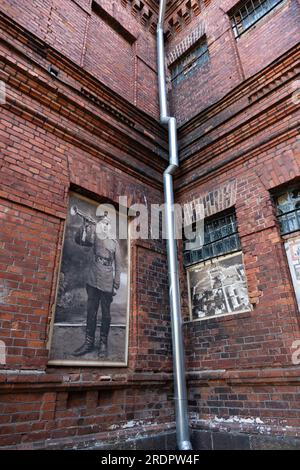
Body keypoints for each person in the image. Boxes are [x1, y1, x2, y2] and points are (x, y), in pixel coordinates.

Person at [73, 208, 121, 359]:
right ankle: (88, 343)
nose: (105, 225)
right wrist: (85, 226)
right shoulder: (95, 236)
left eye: (108, 223)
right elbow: (80, 240)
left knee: (106, 314)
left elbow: (118, 266)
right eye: (103, 222)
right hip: (93, 277)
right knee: (91, 311)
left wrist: (116, 284)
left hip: (107, 279)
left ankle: (103, 344)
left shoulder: (114, 243)